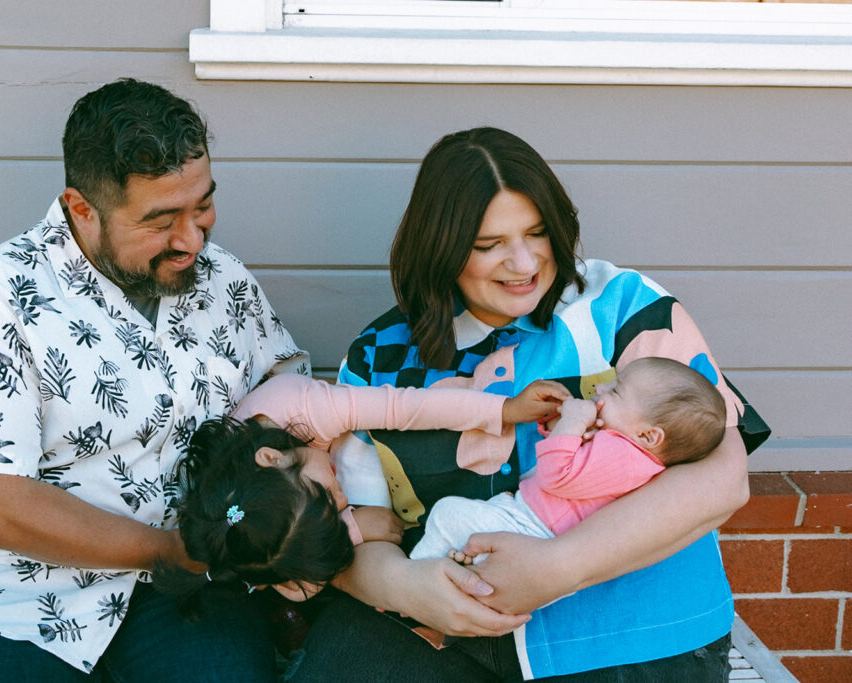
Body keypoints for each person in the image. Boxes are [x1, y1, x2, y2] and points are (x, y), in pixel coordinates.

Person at [292, 127, 770, 681]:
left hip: (632, 637)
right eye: (488, 244)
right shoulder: (380, 357)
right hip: (442, 630)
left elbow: (723, 477)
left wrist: (558, 568)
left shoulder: (625, 306)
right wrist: (406, 587)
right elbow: (354, 525)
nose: (523, 264)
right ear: (440, 246)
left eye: (537, 233)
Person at [0, 78, 308, 682]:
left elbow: (293, 402)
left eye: (202, 206)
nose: (192, 239)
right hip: (9, 598)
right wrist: (168, 551)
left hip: (190, 596)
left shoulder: (227, 282)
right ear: (81, 208)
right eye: (162, 219)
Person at [159, 373, 569, 608]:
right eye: (337, 508)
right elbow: (301, 587)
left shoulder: (301, 408)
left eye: (330, 497)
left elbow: (404, 408)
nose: (342, 501)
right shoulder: (248, 528)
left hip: (337, 414)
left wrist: (503, 410)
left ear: (274, 457)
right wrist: (353, 528)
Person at [410, 356, 728, 564]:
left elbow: (556, 475)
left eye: (616, 392)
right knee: (464, 532)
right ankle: (450, 573)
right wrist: (559, 429)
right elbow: (576, 466)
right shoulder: (624, 452)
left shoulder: (628, 458)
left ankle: (417, 585)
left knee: (448, 513)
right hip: (527, 522)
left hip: (534, 531)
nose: (601, 388)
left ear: (648, 436)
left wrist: (573, 423)